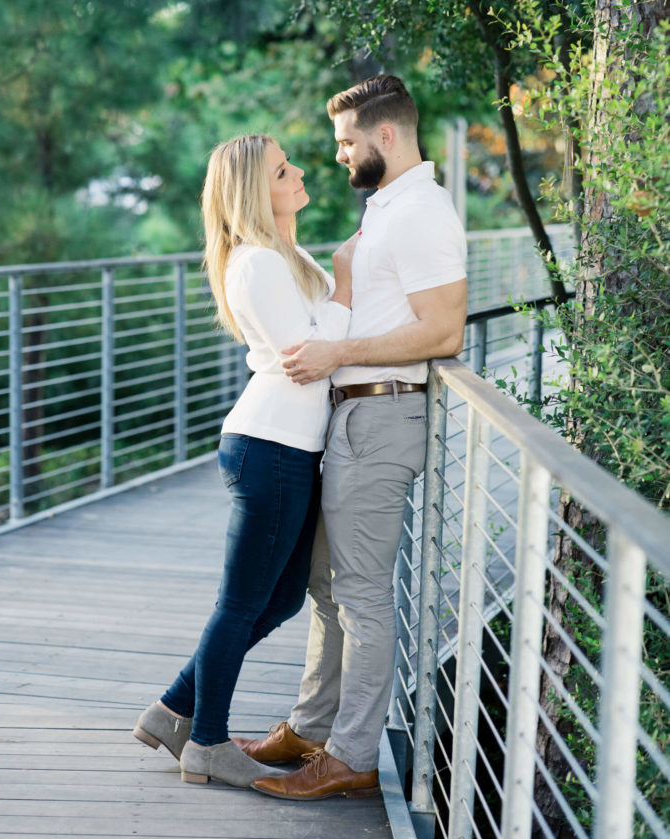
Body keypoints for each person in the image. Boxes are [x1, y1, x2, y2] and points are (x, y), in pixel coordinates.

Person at [234, 75, 467, 801]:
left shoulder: (422, 212)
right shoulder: (389, 208)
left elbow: (442, 330)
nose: (337, 155)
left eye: (345, 142)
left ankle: (352, 756)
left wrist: (336, 353)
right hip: (353, 415)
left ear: (384, 136)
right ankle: (311, 727)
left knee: (360, 595)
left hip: (383, 413)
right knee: (327, 586)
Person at [132, 134, 356, 787]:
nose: (300, 173)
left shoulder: (288, 255)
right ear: (257, 192)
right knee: (239, 604)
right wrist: (345, 285)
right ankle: (205, 741)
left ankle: (172, 707)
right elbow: (309, 352)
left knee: (282, 597)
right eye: (284, 171)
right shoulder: (256, 262)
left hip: (292, 448)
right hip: (271, 447)